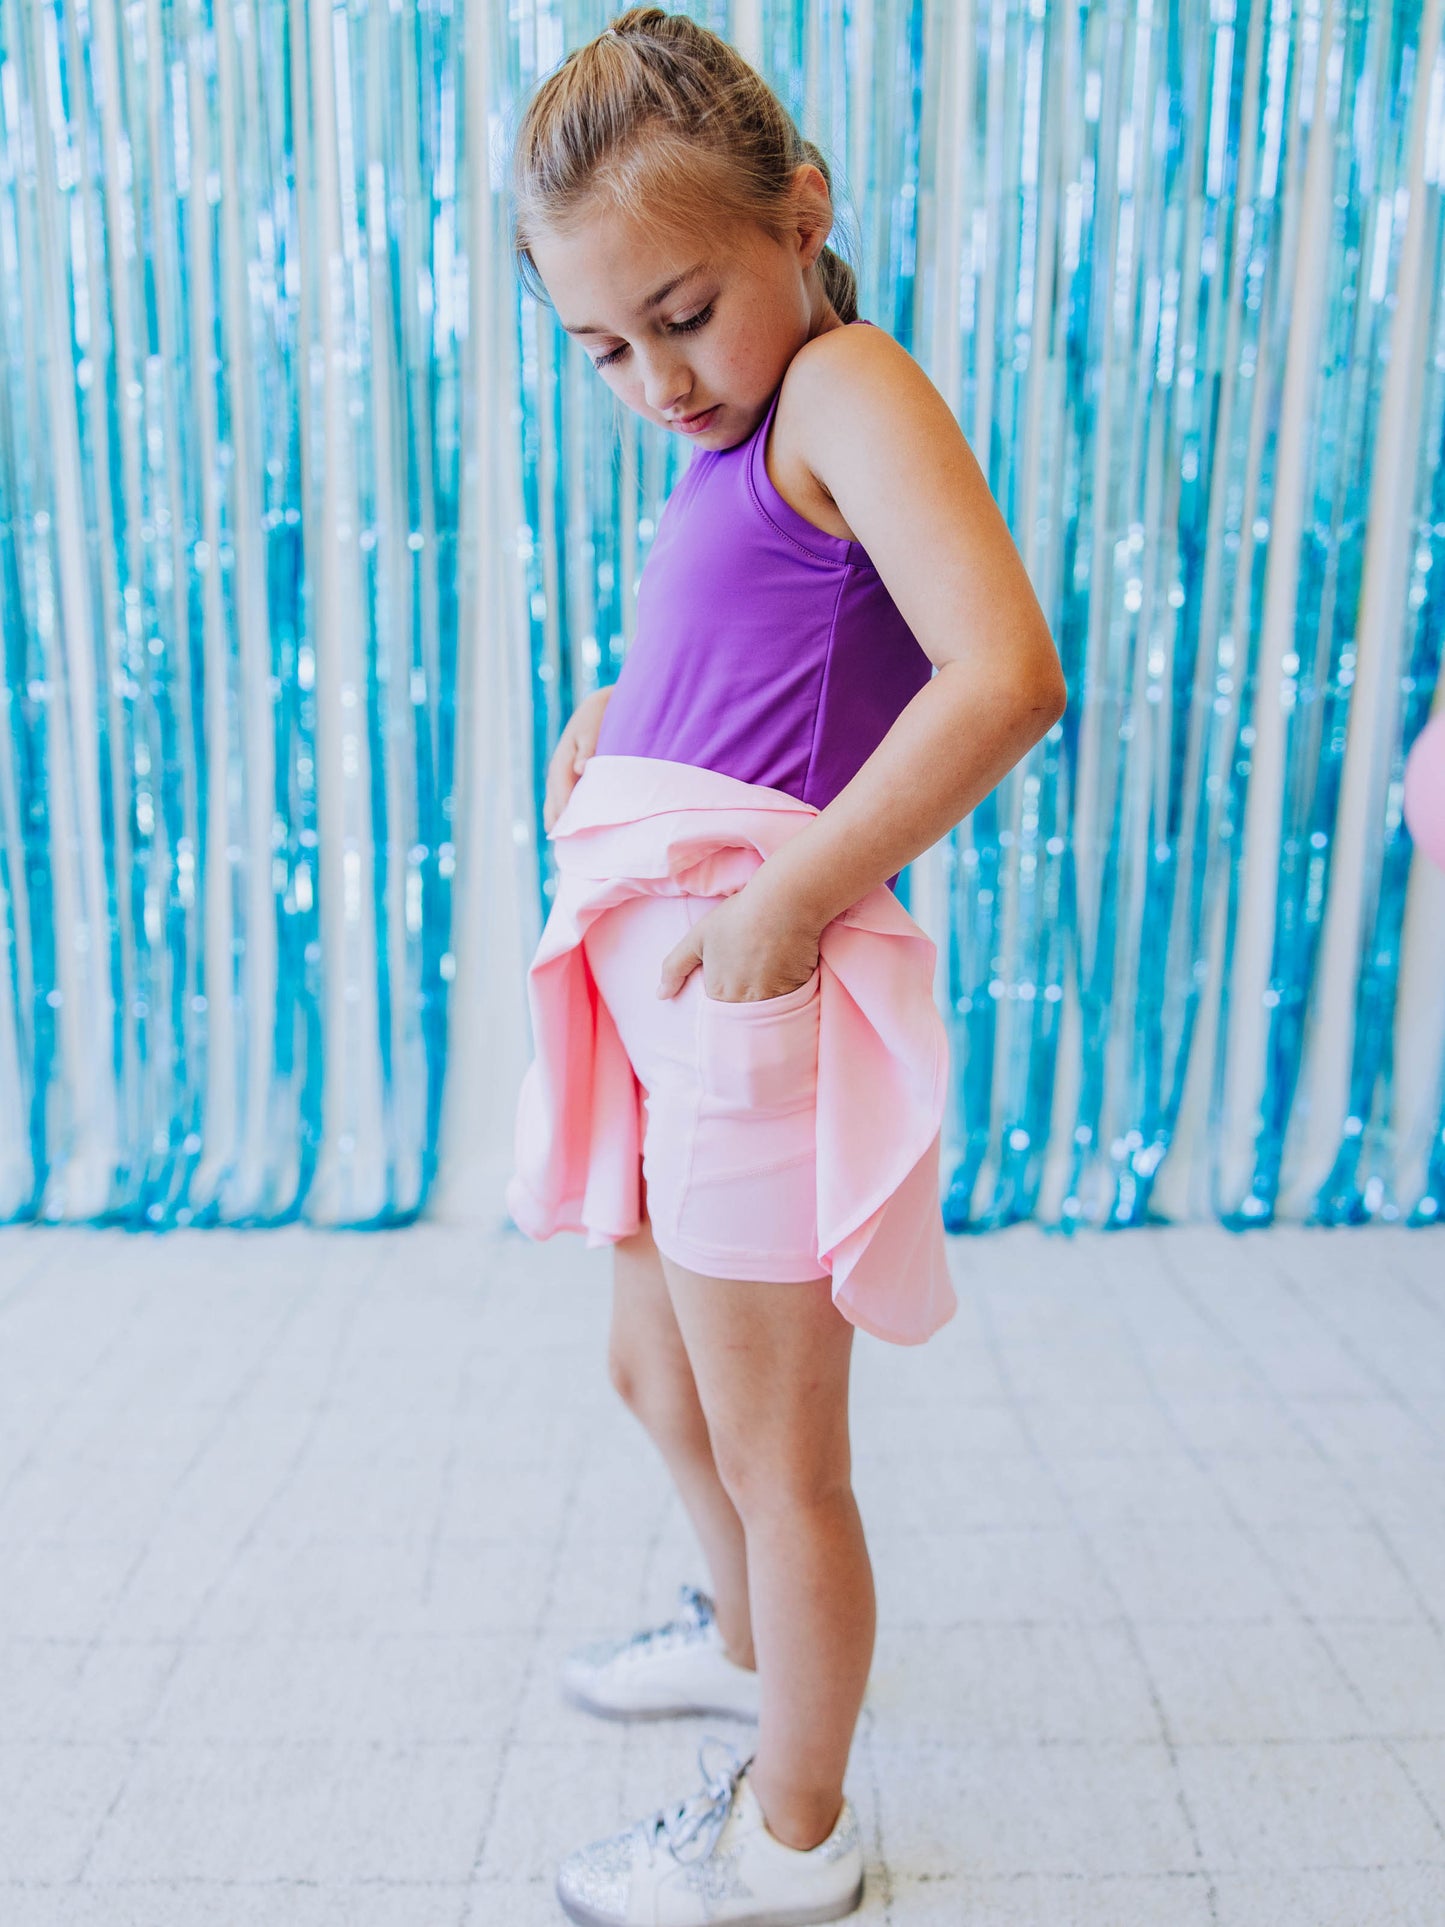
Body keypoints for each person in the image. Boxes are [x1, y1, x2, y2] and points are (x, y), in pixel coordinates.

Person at [505, 11, 1067, 1923]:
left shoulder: (839, 383)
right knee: (650, 1375)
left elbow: (1001, 677)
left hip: (750, 998)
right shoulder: (744, 432)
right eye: (601, 349)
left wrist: (777, 910)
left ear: (799, 211)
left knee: (778, 1455)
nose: (656, 378)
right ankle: (746, 1641)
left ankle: (796, 1839)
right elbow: (784, 664)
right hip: (668, 998)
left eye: (680, 312)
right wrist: (619, 722)